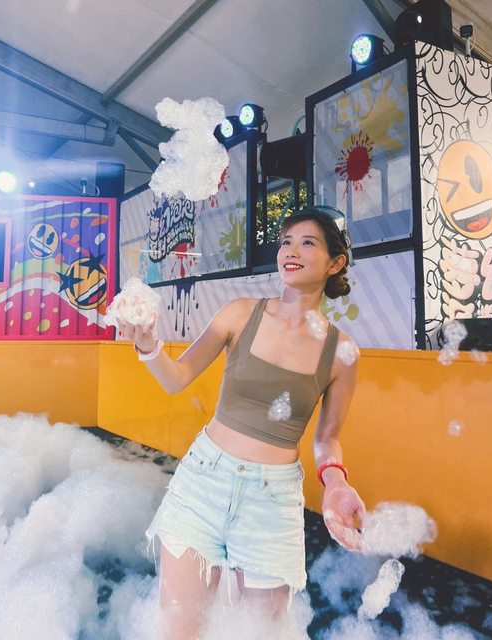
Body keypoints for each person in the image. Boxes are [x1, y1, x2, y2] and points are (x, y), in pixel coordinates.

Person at [116, 206, 366, 639]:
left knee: (262, 633)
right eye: (286, 242)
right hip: (202, 483)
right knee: (179, 632)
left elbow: (328, 438)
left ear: (335, 263)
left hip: (272, 501)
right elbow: (177, 379)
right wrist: (148, 345)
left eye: (307, 243)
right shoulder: (239, 313)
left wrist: (336, 481)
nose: (291, 251)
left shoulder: (342, 352)